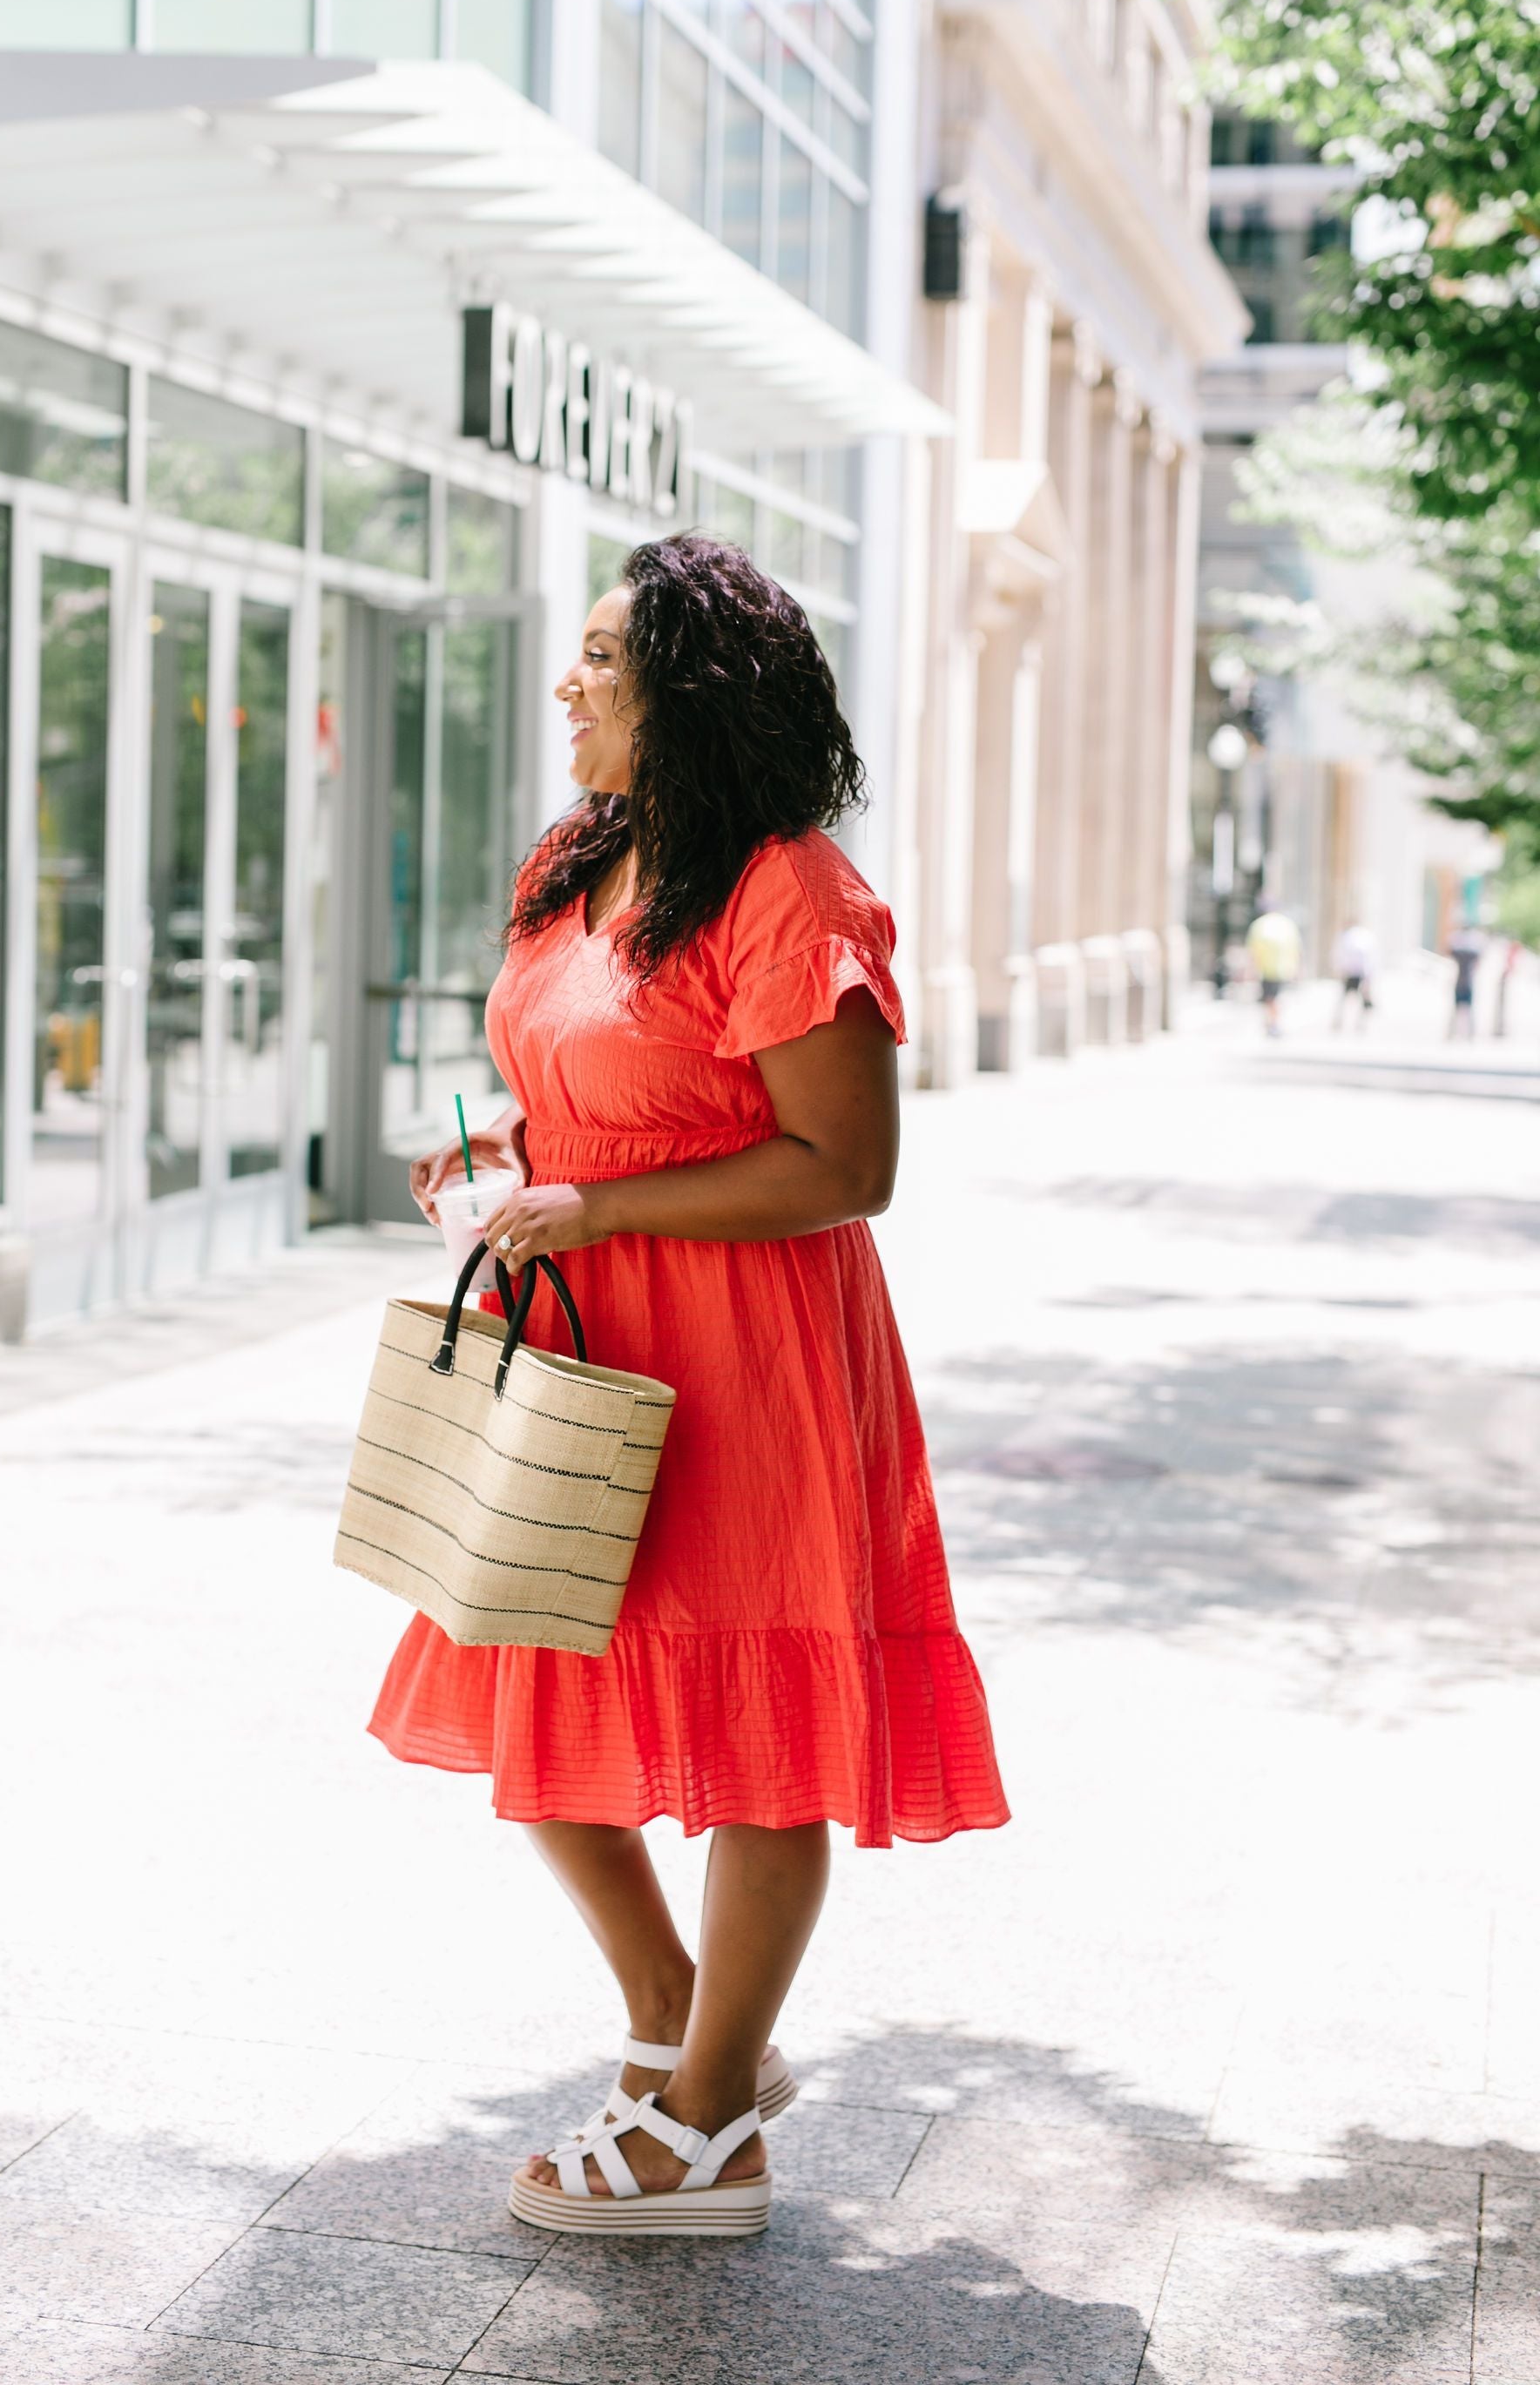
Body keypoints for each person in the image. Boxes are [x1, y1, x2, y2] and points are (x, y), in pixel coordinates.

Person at [377, 533, 1009, 2238]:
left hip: (749, 1353)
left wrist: (597, 1197)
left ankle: (711, 2122)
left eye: (603, 654)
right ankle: (678, 2020)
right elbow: (554, 1068)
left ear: (690, 690)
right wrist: (500, 1154)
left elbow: (846, 1163)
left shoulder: (789, 888)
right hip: (579, 1330)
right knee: (534, 1676)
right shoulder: (570, 864)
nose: (568, 682)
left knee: (758, 1728)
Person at [1246, 903, 1302, 1036]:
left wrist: (1251, 968)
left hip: (1266, 968)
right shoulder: (1287, 924)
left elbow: (1253, 949)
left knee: (1270, 998)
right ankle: (1273, 1023)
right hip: (1285, 968)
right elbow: (1297, 948)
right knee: (1274, 998)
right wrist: (1298, 968)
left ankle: (1272, 1023)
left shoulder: (1259, 925)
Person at [1332, 919, 1377, 1028]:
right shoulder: (1365, 937)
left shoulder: (1346, 937)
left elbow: (1340, 955)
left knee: (1345, 998)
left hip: (1350, 972)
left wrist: (1340, 970)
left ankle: (1340, 1021)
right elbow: (1370, 958)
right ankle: (1359, 1022)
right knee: (1357, 998)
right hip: (1361, 972)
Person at [1449, 921, 1486, 1039]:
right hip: (1466, 983)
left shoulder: (1461, 952)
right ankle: (1467, 1034)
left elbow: (1451, 950)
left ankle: (1458, 1033)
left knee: (1459, 1010)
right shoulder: (1471, 952)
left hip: (1462, 983)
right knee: (1466, 1010)